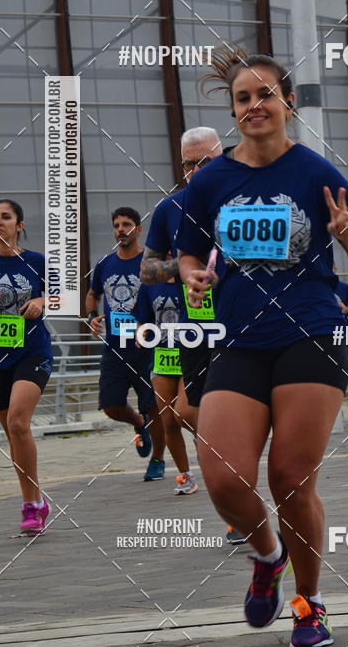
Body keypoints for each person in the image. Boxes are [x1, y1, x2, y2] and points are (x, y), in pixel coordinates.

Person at [176, 48, 348, 647]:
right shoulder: (213, 179)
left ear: (287, 103)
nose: (254, 105)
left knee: (291, 478)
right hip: (239, 339)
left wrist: (347, 234)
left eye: (265, 94)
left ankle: (309, 603)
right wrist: (193, 273)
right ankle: (268, 556)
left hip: (309, 334)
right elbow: (190, 250)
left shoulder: (316, 173)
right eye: (243, 98)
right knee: (223, 476)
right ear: (235, 111)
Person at [140, 128, 223, 499]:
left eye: (203, 161)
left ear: (221, 157)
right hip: (193, 328)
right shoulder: (170, 208)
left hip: (242, 323)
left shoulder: (242, 201)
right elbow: (147, 270)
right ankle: (222, 477)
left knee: (238, 413)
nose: (195, 170)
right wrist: (186, 270)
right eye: (188, 163)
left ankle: (236, 488)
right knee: (185, 413)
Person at [0, 199, 51, 535]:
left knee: (19, 422)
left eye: (6, 217)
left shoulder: (36, 262)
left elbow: (68, 297)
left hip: (32, 351)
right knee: (14, 435)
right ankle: (35, 498)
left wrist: (41, 300)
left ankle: (30, 507)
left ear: (20, 224)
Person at [86, 207, 165, 479]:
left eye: (127, 224)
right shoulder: (105, 264)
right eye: (117, 225)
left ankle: (158, 459)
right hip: (114, 346)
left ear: (138, 229)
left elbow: (165, 296)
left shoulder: (150, 262)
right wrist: (92, 317)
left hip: (146, 345)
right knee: (111, 404)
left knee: (152, 404)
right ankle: (137, 423)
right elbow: (92, 293)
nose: (121, 229)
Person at [134, 279, 196, 493]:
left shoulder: (193, 277)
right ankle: (186, 477)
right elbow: (143, 320)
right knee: (168, 421)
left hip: (192, 353)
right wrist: (140, 334)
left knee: (184, 413)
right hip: (162, 357)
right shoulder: (150, 284)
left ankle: (207, 436)